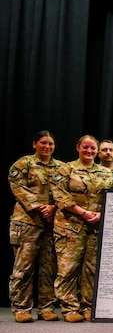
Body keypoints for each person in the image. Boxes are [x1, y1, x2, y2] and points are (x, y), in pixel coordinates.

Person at [51, 135, 113, 322]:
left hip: (95, 227)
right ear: (78, 148)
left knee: (91, 269)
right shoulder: (65, 169)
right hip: (70, 226)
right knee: (68, 269)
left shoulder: (106, 173)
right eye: (86, 147)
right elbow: (60, 196)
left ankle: (88, 306)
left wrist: (102, 213)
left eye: (92, 148)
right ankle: (69, 308)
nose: (89, 151)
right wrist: (83, 213)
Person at [8, 130, 63, 322]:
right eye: (43, 143)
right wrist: (41, 207)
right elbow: (17, 186)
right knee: (24, 267)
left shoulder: (61, 168)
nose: (47, 147)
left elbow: (65, 192)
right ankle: (21, 307)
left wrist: (54, 207)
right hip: (27, 222)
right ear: (34, 144)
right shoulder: (24, 164)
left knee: (48, 267)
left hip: (51, 224)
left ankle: (46, 307)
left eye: (50, 144)